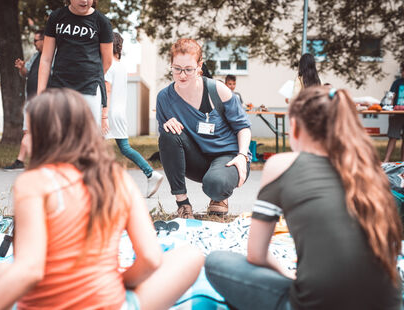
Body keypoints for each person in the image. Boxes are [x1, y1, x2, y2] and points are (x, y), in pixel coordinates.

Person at [0, 88, 204, 310]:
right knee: (191, 255)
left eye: (28, 131)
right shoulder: (117, 179)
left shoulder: (34, 183)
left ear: (43, 135)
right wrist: (120, 281)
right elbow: (151, 259)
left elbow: (29, 270)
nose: (25, 139)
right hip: (111, 303)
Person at [205, 86, 403, 310]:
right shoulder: (370, 170)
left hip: (315, 303)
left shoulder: (281, 165)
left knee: (216, 262)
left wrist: (287, 274)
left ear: (295, 128)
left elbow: (256, 254)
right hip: (387, 303)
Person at [156, 38, 252, 219]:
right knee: (167, 135)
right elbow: (168, 146)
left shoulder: (218, 90)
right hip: (198, 159)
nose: (182, 75)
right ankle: (183, 204)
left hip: (229, 157)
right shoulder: (164, 98)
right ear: (171, 65)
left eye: (188, 69)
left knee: (215, 184)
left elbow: (243, 127)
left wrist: (242, 155)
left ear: (199, 66)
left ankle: (219, 197)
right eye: (177, 69)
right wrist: (167, 126)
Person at [104, 32, 164, 198]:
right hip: (119, 114)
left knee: (94, 149)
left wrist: (103, 115)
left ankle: (105, 185)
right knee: (125, 148)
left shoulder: (109, 66)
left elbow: (107, 91)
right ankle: (151, 174)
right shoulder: (122, 67)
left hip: (108, 113)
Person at [37, 0, 113, 126]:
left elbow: (107, 61)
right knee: (59, 138)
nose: (84, 1)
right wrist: (41, 94)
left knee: (87, 139)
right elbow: (46, 59)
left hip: (89, 90)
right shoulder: (56, 17)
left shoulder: (102, 22)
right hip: (59, 89)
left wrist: (89, 77)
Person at [4, 30, 44, 171]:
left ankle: (43, 162)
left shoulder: (53, 57)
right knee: (28, 131)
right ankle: (20, 161)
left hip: (44, 101)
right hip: (30, 100)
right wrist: (21, 68)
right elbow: (25, 74)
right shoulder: (34, 57)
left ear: (45, 40)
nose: (34, 43)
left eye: (36, 41)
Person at [384, 62, 404, 162]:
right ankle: (386, 161)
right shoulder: (397, 82)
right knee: (393, 137)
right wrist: (390, 109)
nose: (403, 73)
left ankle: (403, 163)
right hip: (396, 114)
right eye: (402, 71)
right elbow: (391, 97)